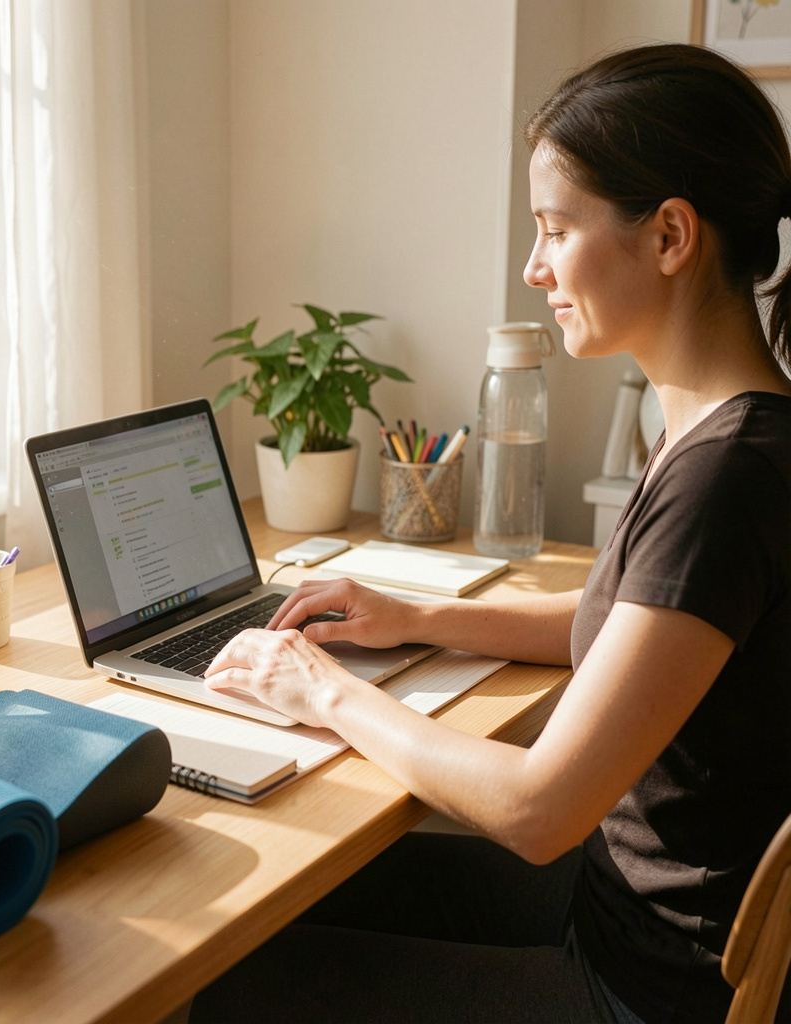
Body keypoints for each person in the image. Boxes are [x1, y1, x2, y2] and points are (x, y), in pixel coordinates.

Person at [189, 42, 791, 1024]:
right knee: (274, 906)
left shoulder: (728, 476)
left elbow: (538, 810)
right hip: (619, 916)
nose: (533, 266)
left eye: (556, 229)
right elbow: (628, 621)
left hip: (641, 987)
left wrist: (324, 689)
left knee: (224, 983)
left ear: (670, 235)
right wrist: (414, 617)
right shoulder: (720, 430)